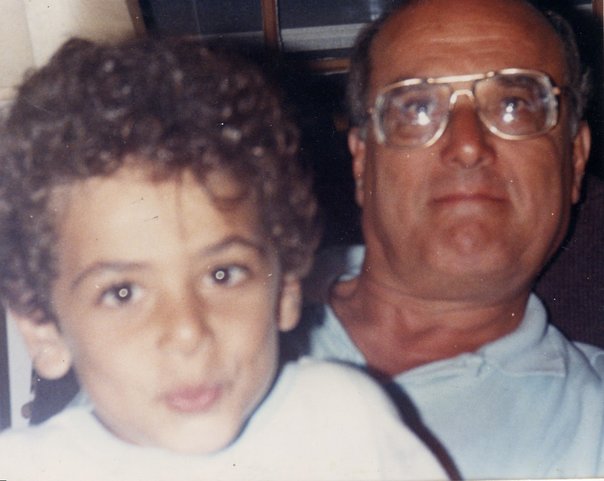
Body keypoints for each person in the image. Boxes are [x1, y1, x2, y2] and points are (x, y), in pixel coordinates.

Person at [0, 37, 447, 480]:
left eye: (222, 274)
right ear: (43, 330)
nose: (188, 332)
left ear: (285, 288)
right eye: (122, 293)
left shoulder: (343, 422)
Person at [287, 0, 604, 478]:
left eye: (514, 105)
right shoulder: (211, 312)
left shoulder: (592, 430)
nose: (468, 144)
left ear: (575, 160)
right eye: (417, 107)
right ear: (362, 162)